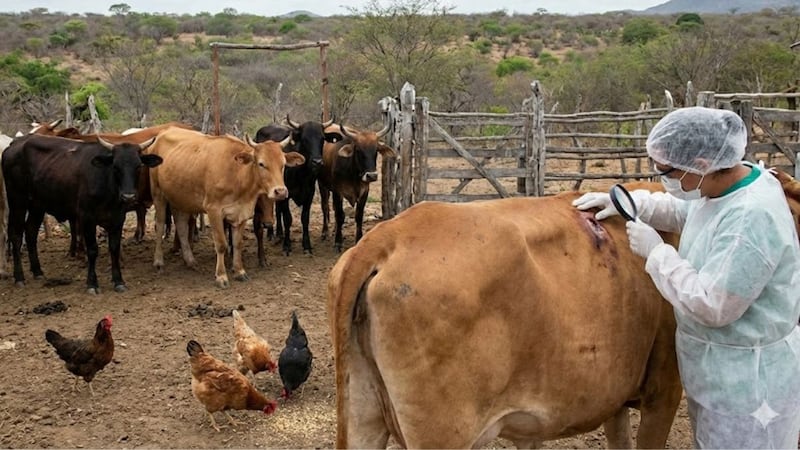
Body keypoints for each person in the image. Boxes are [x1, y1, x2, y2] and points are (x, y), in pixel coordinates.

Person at [573, 106, 800, 449]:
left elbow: (713, 305)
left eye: (667, 171)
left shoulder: (751, 220)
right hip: (721, 371)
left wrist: (657, 253)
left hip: (748, 386)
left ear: (703, 164)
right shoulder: (730, 184)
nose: (662, 177)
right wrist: (631, 202)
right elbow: (686, 210)